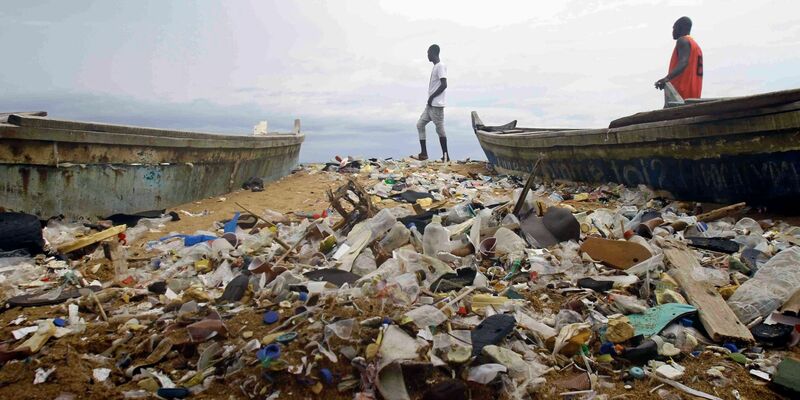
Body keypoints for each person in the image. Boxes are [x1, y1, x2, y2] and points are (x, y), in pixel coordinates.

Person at [654, 16, 703, 101]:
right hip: (694, 94)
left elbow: (683, 62)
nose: (673, 31)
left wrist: (666, 78)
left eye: (674, 28)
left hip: (680, 93)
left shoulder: (682, 40)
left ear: (680, 28)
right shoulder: (695, 46)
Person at [415, 44, 449, 161]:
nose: (427, 55)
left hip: (436, 105)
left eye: (428, 52)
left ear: (433, 53)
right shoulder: (435, 67)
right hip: (430, 105)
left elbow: (444, 85)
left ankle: (446, 156)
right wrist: (430, 99)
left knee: (440, 130)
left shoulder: (440, 66)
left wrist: (432, 97)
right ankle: (424, 153)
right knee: (420, 125)